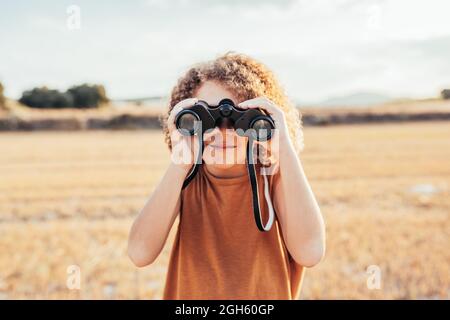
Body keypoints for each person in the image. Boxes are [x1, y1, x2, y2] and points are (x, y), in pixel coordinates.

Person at [128, 52, 325, 299]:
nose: (223, 131)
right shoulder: (186, 179)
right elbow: (139, 253)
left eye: (237, 119)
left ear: (261, 123)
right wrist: (179, 163)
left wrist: (283, 148)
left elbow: (310, 252)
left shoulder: (272, 178)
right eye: (205, 117)